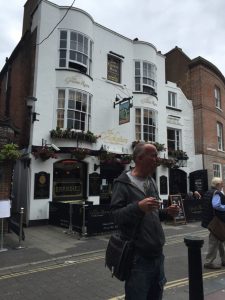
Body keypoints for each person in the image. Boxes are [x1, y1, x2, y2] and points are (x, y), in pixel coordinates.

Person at [110, 142, 179, 300]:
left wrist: (167, 213)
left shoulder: (151, 182)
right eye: (153, 155)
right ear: (140, 158)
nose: (157, 159)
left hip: (158, 255)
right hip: (138, 258)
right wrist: (138, 207)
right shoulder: (122, 184)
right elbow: (115, 216)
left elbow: (152, 214)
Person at [202, 177, 225, 269]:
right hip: (216, 221)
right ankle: (209, 262)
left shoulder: (209, 192)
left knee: (220, 240)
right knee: (214, 241)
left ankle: (224, 260)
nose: (223, 185)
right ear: (218, 184)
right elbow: (216, 205)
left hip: (211, 220)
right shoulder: (217, 193)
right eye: (222, 183)